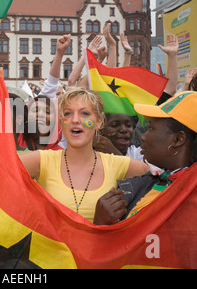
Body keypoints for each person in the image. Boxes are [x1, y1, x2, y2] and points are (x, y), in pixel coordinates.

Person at [19, 87, 148, 222]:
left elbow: (163, 185)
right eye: (68, 114)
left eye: (85, 113)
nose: (75, 120)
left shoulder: (119, 164)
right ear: (61, 121)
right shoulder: (42, 160)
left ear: (99, 122)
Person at [93, 91, 197, 225]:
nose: (143, 136)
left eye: (152, 128)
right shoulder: (137, 188)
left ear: (178, 139)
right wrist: (103, 223)